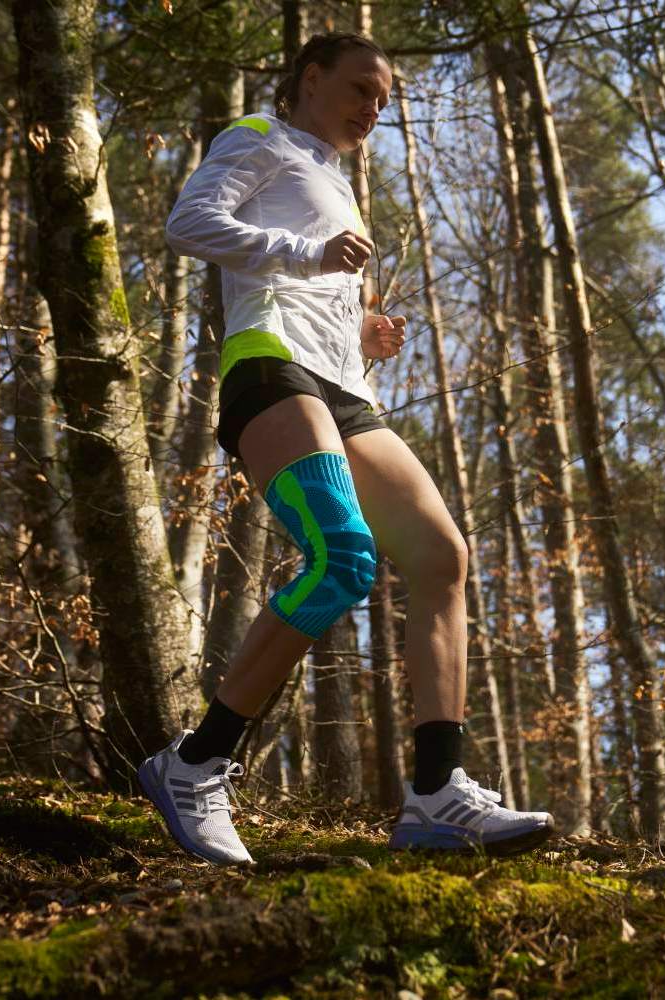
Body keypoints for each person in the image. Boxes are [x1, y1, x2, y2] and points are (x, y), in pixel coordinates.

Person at [137, 31, 556, 865]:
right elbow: (189, 224)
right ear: (310, 78)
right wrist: (309, 254)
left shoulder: (339, 182)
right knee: (342, 560)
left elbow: (314, 286)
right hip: (269, 367)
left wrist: (362, 328)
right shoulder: (260, 137)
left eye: (384, 100)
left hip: (344, 388)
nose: (373, 108)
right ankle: (195, 764)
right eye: (362, 88)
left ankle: (436, 793)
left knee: (441, 556)